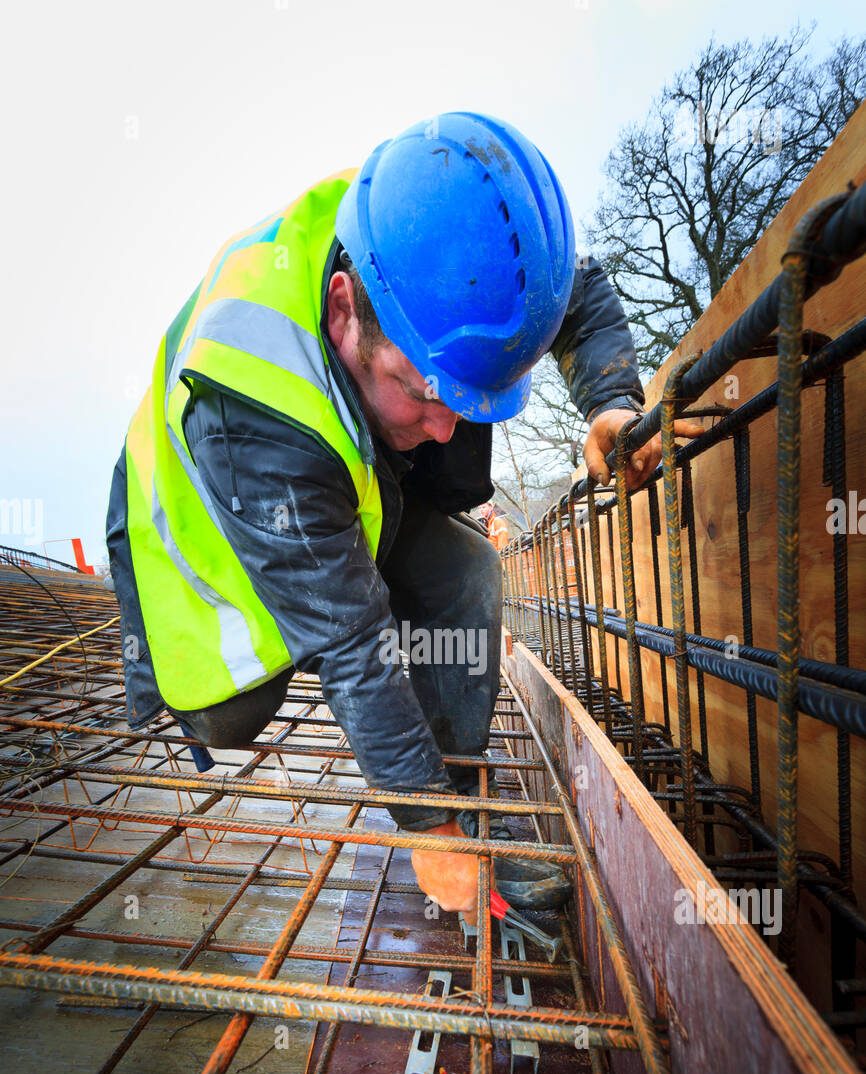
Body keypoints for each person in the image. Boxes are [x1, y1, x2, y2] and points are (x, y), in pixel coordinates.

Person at [106, 112, 702, 925]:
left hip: (344, 480)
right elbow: (357, 645)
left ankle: (458, 780)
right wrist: (425, 829)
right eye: (425, 393)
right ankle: (380, 762)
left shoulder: (445, 253)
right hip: (209, 510)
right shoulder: (255, 403)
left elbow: (579, 290)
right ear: (344, 311)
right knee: (234, 714)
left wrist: (610, 405)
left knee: (466, 572)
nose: (450, 427)